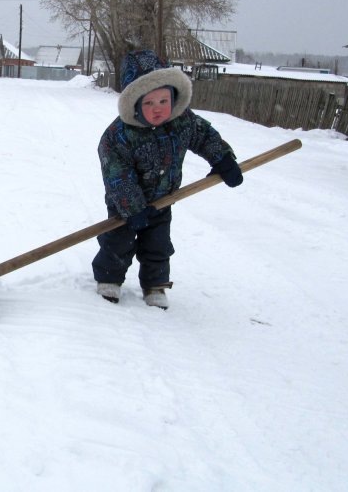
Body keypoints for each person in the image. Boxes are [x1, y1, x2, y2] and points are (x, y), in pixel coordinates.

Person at [93, 49, 243, 310]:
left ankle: (155, 286)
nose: (158, 109)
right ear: (135, 104)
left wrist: (222, 160)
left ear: (173, 97)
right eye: (148, 103)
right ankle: (109, 279)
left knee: (158, 246)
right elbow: (117, 175)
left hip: (164, 199)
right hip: (124, 205)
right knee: (118, 243)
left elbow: (205, 137)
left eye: (163, 101)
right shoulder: (118, 136)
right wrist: (134, 208)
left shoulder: (183, 121)